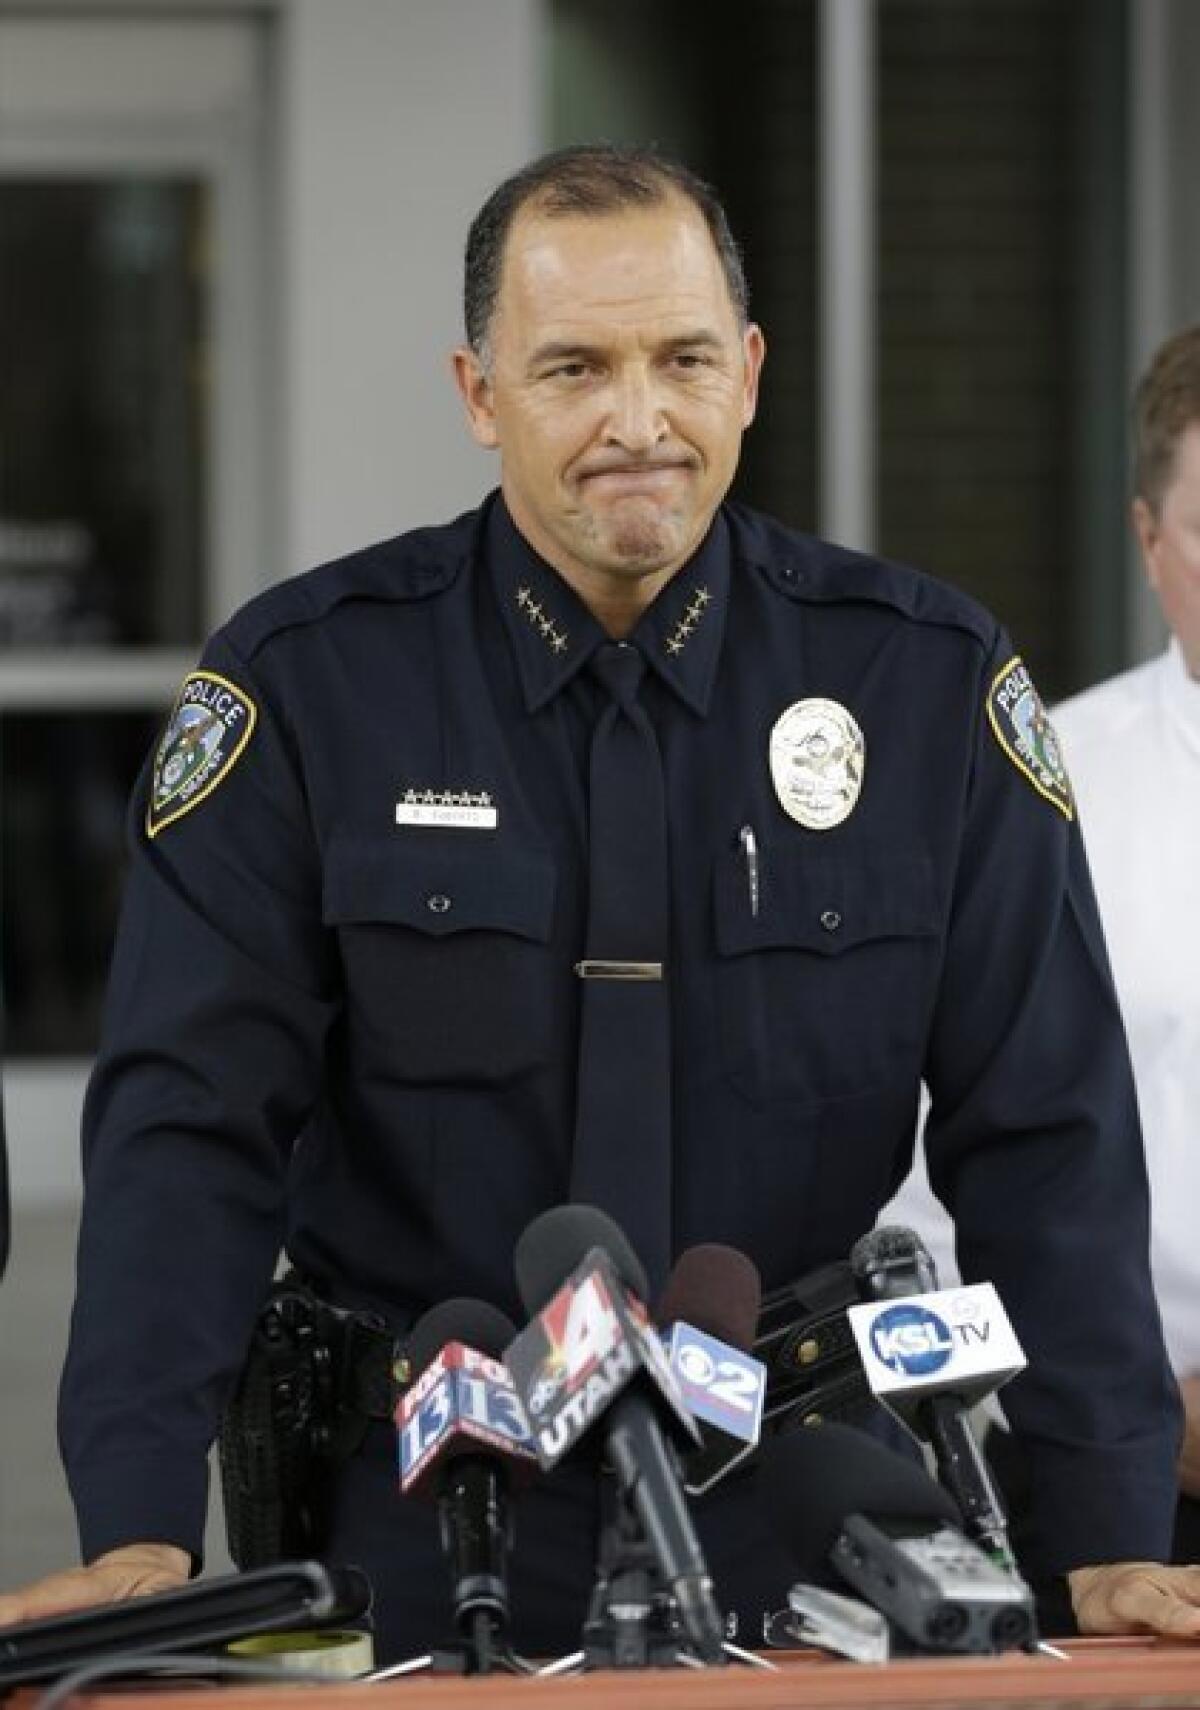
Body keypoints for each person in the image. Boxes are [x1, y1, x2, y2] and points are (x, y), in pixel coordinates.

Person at [1, 144, 1198, 1654]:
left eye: (683, 358)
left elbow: (1049, 1136)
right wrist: (138, 1528)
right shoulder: (308, 693)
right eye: (574, 366)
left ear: (750, 372)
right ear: (478, 391)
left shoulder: (928, 688)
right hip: (426, 1508)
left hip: (808, 1499)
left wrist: (1104, 1540)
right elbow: (188, 1135)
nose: (640, 419)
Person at [884, 322, 1200, 1568]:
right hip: (1129, 1492)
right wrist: (1116, 1408)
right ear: (1147, 539)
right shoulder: (1042, 785)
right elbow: (926, 1179)